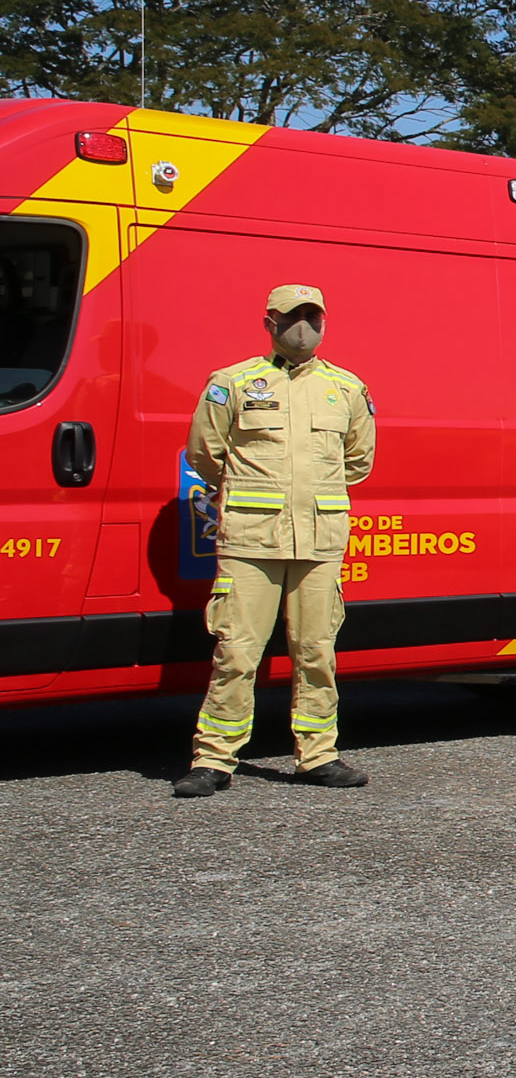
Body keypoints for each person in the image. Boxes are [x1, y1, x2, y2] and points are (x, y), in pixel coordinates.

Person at [172, 284, 377, 797]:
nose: (304, 325)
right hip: (251, 540)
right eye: (293, 316)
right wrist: (248, 494)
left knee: (316, 652)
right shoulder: (233, 383)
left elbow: (359, 461)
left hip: (318, 540)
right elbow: (204, 452)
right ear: (270, 321)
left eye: (313, 316)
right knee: (237, 652)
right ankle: (214, 760)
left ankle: (318, 755)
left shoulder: (347, 388)